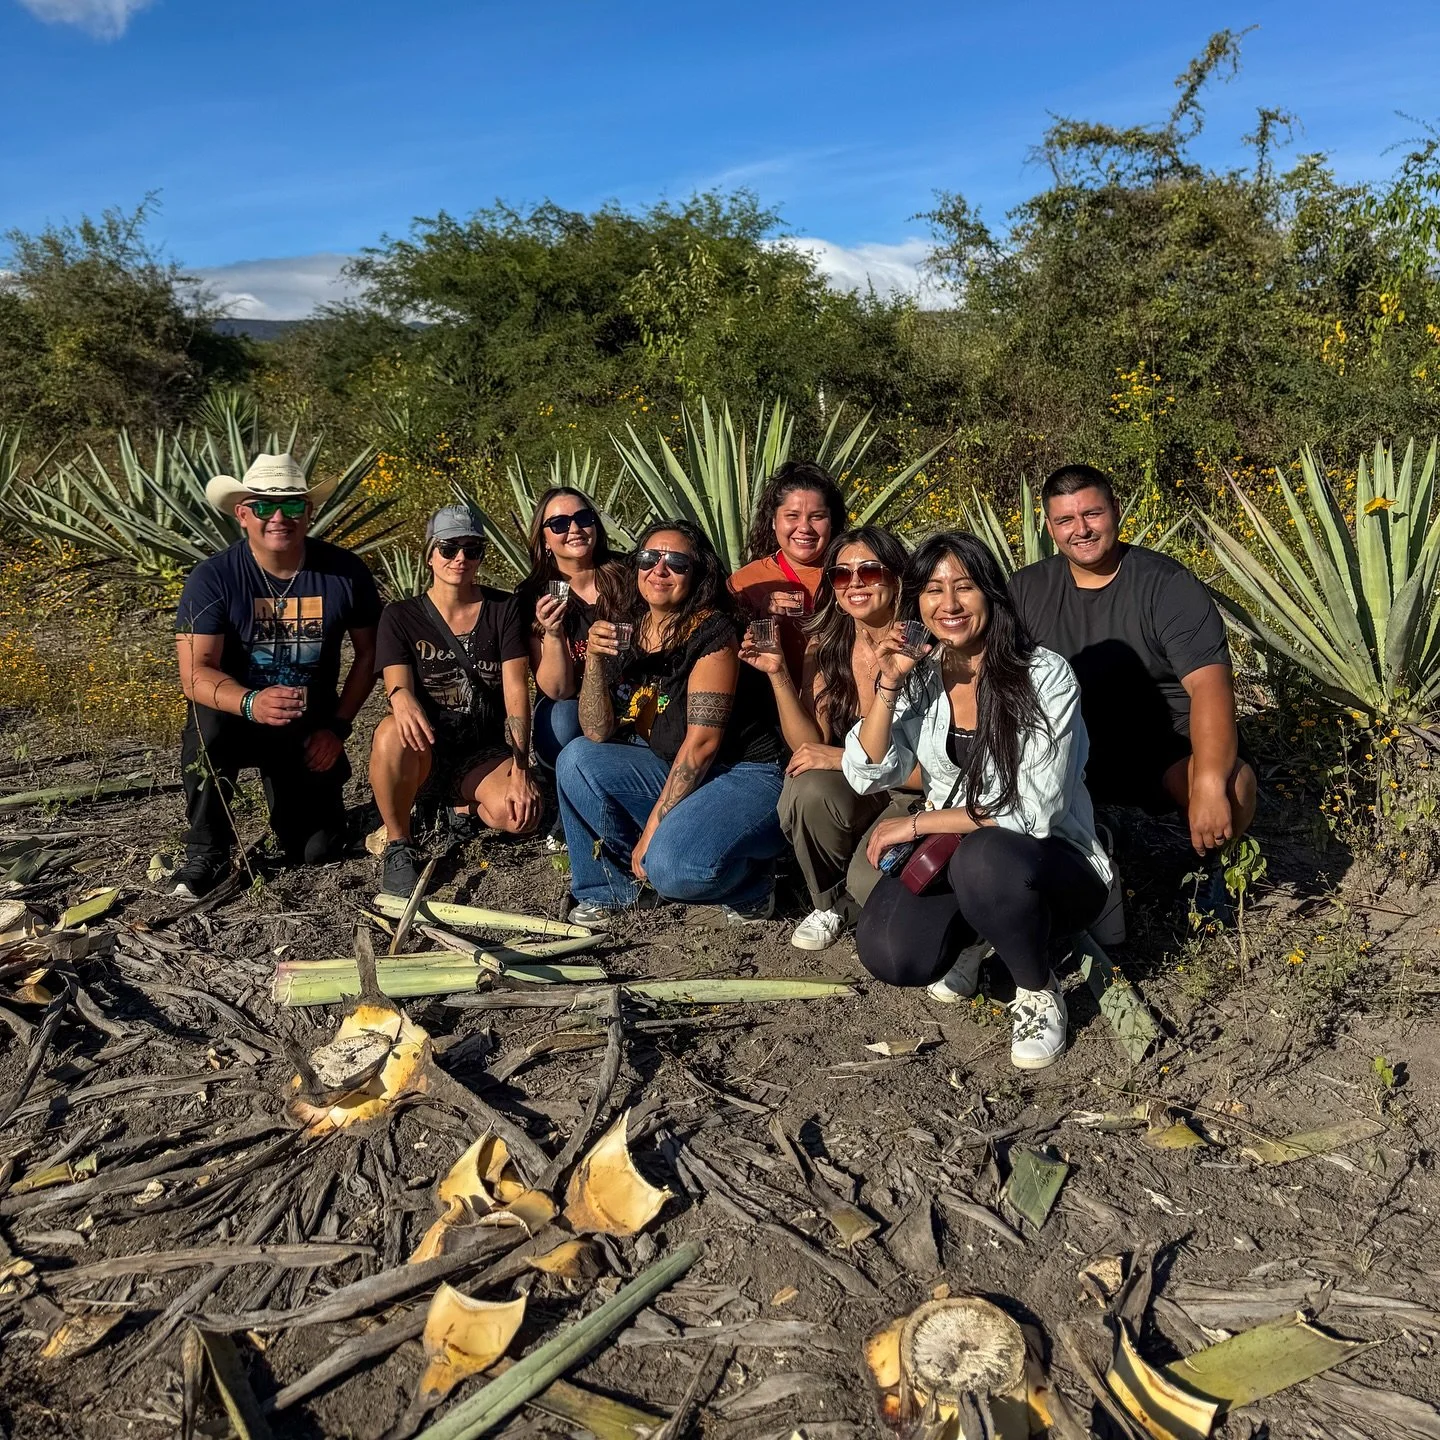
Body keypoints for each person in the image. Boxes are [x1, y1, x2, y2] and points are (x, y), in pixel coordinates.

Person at [843, 532, 1111, 1070]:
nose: (949, 603)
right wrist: (888, 684)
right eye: (933, 589)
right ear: (917, 602)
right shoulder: (921, 676)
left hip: (1052, 861)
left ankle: (1036, 988)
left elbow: (1032, 810)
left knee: (987, 857)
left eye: (964, 587)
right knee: (892, 953)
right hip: (959, 854)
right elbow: (867, 772)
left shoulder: (1044, 675)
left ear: (991, 593)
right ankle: (985, 936)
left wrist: (916, 824)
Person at [1008, 464, 1257, 861]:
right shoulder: (1026, 589)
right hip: (1067, 746)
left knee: (1232, 786)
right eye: (1066, 520)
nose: (1081, 530)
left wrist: (1209, 782)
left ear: (1116, 510)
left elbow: (1209, 685)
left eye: (1092, 514)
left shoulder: (1167, 585)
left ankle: (1214, 868)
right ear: (1050, 527)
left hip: (1161, 748)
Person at [172, 453, 381, 898]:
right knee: (206, 725)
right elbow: (195, 673)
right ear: (242, 514)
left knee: (316, 850)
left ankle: (300, 815)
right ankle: (206, 849)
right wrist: (251, 702)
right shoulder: (212, 578)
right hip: (236, 717)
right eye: (264, 506)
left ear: (310, 512)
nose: (279, 517)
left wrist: (337, 728)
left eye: (292, 505)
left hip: (306, 724)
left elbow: (370, 654)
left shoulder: (344, 572)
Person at [556, 520, 786, 925]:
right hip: (674, 764)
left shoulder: (713, 635)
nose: (659, 570)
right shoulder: (632, 625)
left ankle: (752, 883)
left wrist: (651, 832)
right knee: (576, 758)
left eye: (677, 562)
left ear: (697, 574)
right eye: (649, 558)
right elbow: (596, 731)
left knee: (673, 868)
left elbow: (702, 745)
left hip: (743, 772)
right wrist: (593, 660)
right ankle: (609, 889)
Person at [741, 525, 910, 950]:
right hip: (862, 786)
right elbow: (808, 742)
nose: (855, 583)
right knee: (807, 787)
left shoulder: (920, 646)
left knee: (871, 885)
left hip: (916, 790)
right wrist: (778, 672)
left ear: (896, 577)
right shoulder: (829, 641)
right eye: (841, 574)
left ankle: (859, 893)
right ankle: (829, 901)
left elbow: (945, 764)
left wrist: (840, 758)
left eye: (869, 571)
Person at [369, 505, 541, 895]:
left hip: (481, 753)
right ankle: (399, 842)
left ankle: (456, 808)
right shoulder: (401, 616)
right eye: (449, 548)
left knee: (518, 817)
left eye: (472, 549)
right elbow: (397, 683)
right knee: (391, 732)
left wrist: (521, 769)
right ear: (430, 555)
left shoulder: (503, 609)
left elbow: (516, 688)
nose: (460, 558)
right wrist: (401, 697)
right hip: (425, 749)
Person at [517, 486, 625, 767]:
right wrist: (553, 633)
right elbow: (558, 690)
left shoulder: (627, 574)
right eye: (559, 524)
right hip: (573, 701)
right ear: (544, 540)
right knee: (562, 718)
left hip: (629, 691)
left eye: (583, 518)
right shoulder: (535, 595)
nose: (575, 529)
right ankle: (567, 779)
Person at [729, 460, 845, 682]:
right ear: (773, 521)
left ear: (832, 521)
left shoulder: (854, 573)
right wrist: (759, 619)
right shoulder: (745, 583)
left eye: (817, 516)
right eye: (792, 516)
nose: (805, 528)